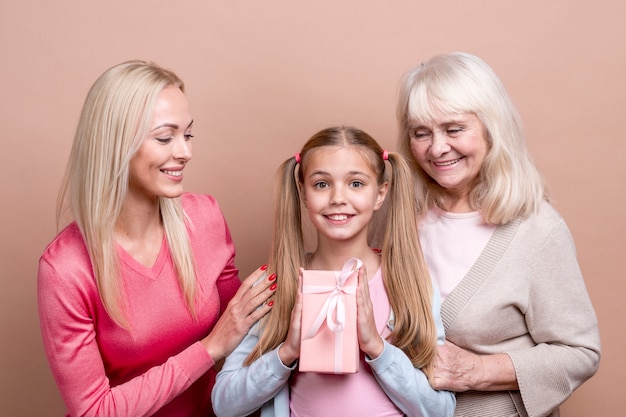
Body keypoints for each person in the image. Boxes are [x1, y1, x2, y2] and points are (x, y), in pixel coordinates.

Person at [37, 60, 277, 417]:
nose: (185, 152)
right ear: (116, 144)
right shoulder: (65, 269)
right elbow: (93, 411)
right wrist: (208, 349)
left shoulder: (205, 217)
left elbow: (243, 326)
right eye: (165, 137)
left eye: (188, 134)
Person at [396, 52, 601, 416]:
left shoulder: (537, 228)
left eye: (454, 129)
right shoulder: (395, 215)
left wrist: (476, 372)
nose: (437, 148)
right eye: (421, 133)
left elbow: (580, 353)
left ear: (492, 128)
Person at [211, 126, 456, 417]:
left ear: (380, 193)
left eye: (355, 184)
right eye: (322, 184)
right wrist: (286, 352)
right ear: (303, 192)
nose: (338, 198)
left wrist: (377, 349)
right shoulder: (275, 284)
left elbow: (440, 410)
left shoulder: (409, 284)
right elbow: (224, 405)